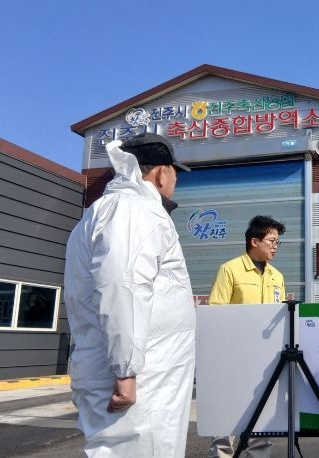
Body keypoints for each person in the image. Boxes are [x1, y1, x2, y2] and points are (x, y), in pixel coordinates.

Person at [64, 132, 195, 457]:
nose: (176, 180)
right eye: (175, 173)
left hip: (133, 370)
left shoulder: (108, 210)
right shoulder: (135, 210)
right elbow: (123, 285)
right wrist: (125, 371)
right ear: (161, 173)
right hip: (141, 377)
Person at [207, 215, 286, 458]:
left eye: (277, 242)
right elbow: (215, 314)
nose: (275, 246)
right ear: (254, 241)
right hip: (233, 360)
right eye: (271, 241)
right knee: (226, 423)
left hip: (265, 362)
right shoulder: (229, 270)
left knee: (261, 425)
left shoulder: (277, 277)